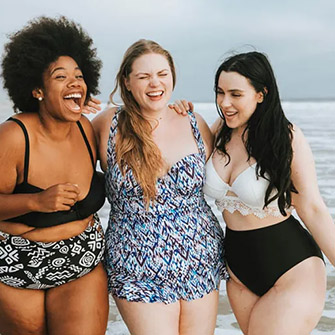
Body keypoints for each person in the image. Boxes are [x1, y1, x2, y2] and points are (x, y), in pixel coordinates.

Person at [174, 51, 335, 335]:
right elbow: (175, 161)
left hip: (292, 267)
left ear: (261, 94)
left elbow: (312, 208)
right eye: (220, 92)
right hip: (238, 272)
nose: (225, 103)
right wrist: (174, 115)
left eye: (236, 94)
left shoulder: (286, 137)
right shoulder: (219, 130)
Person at [92, 39, 228, 335]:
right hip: (136, 264)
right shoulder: (107, 125)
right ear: (126, 82)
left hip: (198, 257)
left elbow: (237, 159)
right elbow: (62, 156)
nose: (155, 84)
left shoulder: (194, 121)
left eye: (162, 74)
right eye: (144, 76)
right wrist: (71, 110)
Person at [0, 16, 108, 334]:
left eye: (79, 76)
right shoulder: (14, 136)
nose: (75, 82)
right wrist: (36, 201)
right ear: (36, 89)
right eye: (60, 77)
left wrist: (178, 110)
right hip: (18, 267)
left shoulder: (86, 129)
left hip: (82, 262)